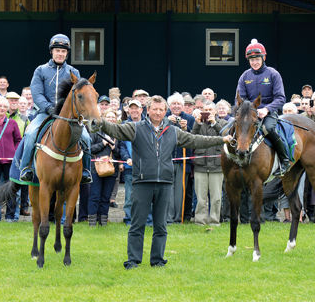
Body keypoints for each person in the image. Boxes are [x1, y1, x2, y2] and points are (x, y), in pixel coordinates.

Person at [97, 95, 233, 269]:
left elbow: (196, 140)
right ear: (148, 110)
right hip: (142, 182)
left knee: (161, 226)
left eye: (161, 109)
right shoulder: (135, 128)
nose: (158, 112)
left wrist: (222, 139)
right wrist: (99, 122)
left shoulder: (173, 131)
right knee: (137, 224)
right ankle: (133, 260)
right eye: (154, 109)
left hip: (165, 183)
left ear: (165, 111)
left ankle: (157, 260)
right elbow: (114, 130)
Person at [19, 34, 92, 184]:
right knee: (31, 133)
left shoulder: (74, 72)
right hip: (45, 113)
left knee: (86, 138)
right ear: (51, 51)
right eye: (57, 50)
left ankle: (85, 171)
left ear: (67, 53)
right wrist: (48, 108)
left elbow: (78, 96)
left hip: (69, 116)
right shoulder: (40, 70)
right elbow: (37, 92)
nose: (60, 54)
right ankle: (26, 168)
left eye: (63, 51)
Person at [236, 38, 288, 176]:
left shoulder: (273, 74)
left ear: (264, 58)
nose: (254, 62)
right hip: (250, 113)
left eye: (257, 59)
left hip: (269, 112)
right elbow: (240, 99)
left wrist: (266, 109)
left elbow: (281, 98)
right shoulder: (244, 76)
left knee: (268, 128)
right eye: (251, 60)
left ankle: (284, 161)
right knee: (231, 128)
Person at [192, 101, 228, 226]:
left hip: (217, 166)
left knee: (216, 198)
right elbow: (192, 138)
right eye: (205, 110)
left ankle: (214, 221)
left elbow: (227, 136)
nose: (207, 112)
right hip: (200, 165)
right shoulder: (199, 123)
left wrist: (214, 123)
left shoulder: (223, 123)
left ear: (215, 111)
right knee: (201, 198)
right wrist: (197, 124)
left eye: (210, 110)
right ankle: (200, 221)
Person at [165, 92, 195, 224]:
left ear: (183, 106)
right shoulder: (163, 117)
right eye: (174, 104)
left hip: (184, 161)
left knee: (180, 190)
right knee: (167, 190)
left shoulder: (189, 118)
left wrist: (185, 128)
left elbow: (194, 139)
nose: (176, 106)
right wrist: (166, 123)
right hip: (167, 159)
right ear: (169, 106)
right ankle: (167, 218)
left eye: (179, 104)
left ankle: (179, 218)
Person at [88, 109, 121, 227]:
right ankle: (92, 222)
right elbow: (89, 149)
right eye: (109, 117)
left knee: (106, 197)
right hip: (96, 169)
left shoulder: (118, 133)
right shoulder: (96, 131)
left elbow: (121, 153)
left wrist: (114, 148)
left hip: (112, 170)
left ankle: (103, 222)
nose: (111, 119)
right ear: (104, 118)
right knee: (95, 195)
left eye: (113, 117)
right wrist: (102, 144)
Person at [119, 99, 145, 225]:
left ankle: (148, 220)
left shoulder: (148, 124)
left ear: (141, 109)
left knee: (146, 196)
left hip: (146, 167)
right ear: (128, 110)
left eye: (137, 108)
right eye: (132, 108)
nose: (134, 110)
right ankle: (129, 220)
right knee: (129, 197)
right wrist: (126, 158)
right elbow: (122, 145)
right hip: (129, 167)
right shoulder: (124, 125)